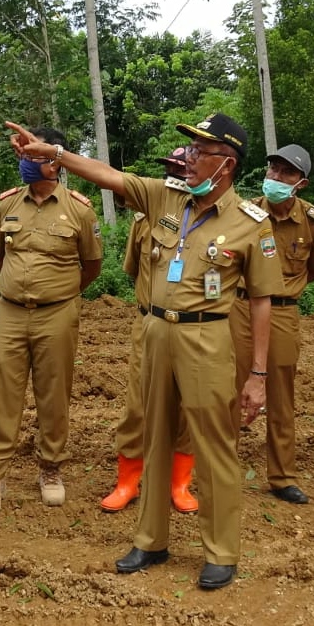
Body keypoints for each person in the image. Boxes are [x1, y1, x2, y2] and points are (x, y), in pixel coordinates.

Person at [9, 113, 282, 591]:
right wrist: (53, 155)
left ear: (228, 164)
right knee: (153, 434)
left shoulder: (249, 223)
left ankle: (220, 551)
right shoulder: (166, 196)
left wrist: (257, 373)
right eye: (191, 150)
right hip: (155, 330)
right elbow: (110, 175)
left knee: (213, 446)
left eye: (202, 152)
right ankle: (151, 539)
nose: (191, 159)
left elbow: (262, 303)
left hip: (207, 337)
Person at [0, 126, 103, 514]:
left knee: (53, 396)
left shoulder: (79, 209)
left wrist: (59, 292)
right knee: (2, 396)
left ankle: (51, 469)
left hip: (58, 314)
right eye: (24, 156)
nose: (27, 163)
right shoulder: (6, 205)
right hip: (11, 313)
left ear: (55, 161)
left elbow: (92, 265)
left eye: (35, 156)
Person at [231, 144, 314, 504]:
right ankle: (223, 470)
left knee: (281, 396)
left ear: (300, 183)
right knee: (231, 388)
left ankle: (282, 476)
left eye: (286, 173)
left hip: (283, 312)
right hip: (240, 308)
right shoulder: (244, 213)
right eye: (273, 169)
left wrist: (286, 292)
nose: (275, 177)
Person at [101, 146, 200, 514]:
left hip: (193, 327)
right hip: (150, 323)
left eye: (179, 167)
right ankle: (128, 480)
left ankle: (180, 483)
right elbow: (133, 270)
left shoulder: (207, 220)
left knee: (188, 406)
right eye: (168, 168)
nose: (173, 174)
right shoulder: (144, 221)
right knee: (138, 405)